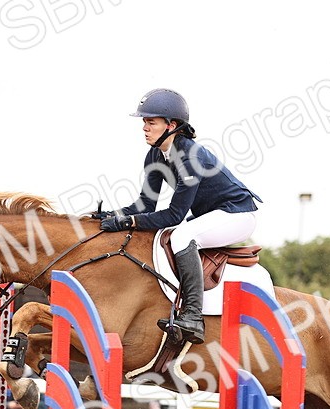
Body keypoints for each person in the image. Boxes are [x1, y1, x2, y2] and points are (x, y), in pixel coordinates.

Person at [94, 88, 261, 345]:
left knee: (182, 236)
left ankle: (193, 316)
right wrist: (112, 215)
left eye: (151, 122)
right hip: (212, 214)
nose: (144, 128)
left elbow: (174, 215)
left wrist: (128, 222)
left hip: (238, 214)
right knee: (165, 235)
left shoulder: (190, 157)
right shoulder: (155, 155)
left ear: (172, 125)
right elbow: (145, 204)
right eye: (144, 122)